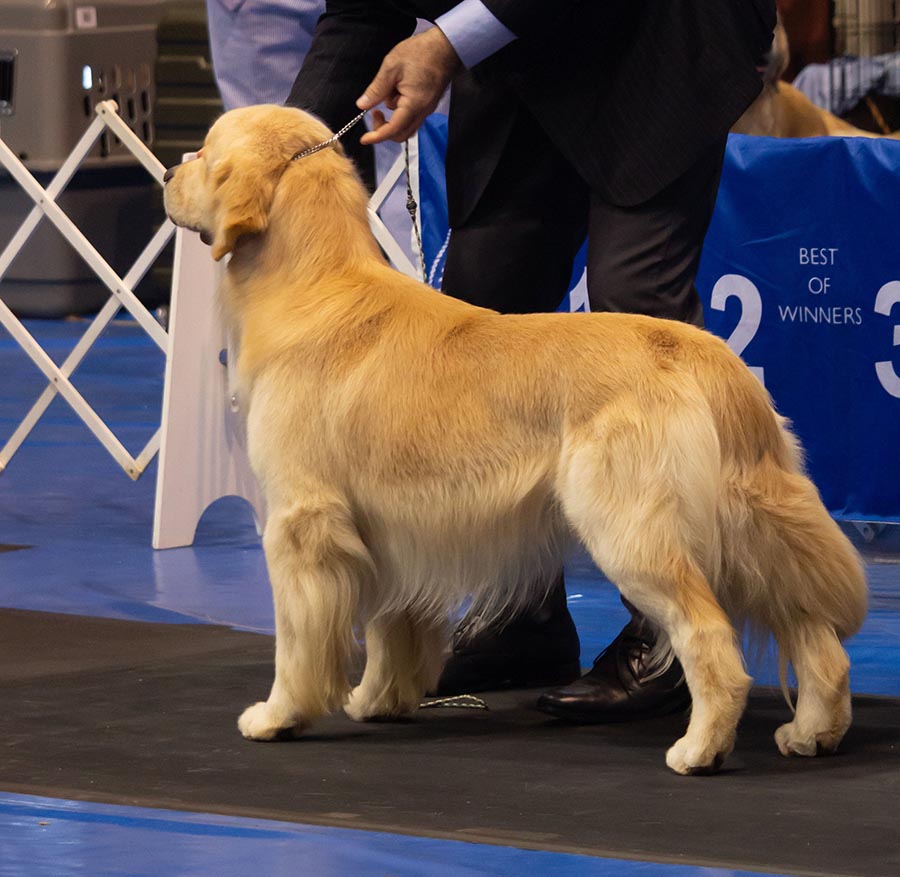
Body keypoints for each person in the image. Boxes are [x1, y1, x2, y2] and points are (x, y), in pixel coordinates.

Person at [285, 0, 777, 722]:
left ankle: (671, 635)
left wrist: (448, 41)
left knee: (634, 299)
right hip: (519, 56)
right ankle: (521, 615)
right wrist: (282, 152)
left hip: (662, 40)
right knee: (481, 305)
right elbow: (360, 12)